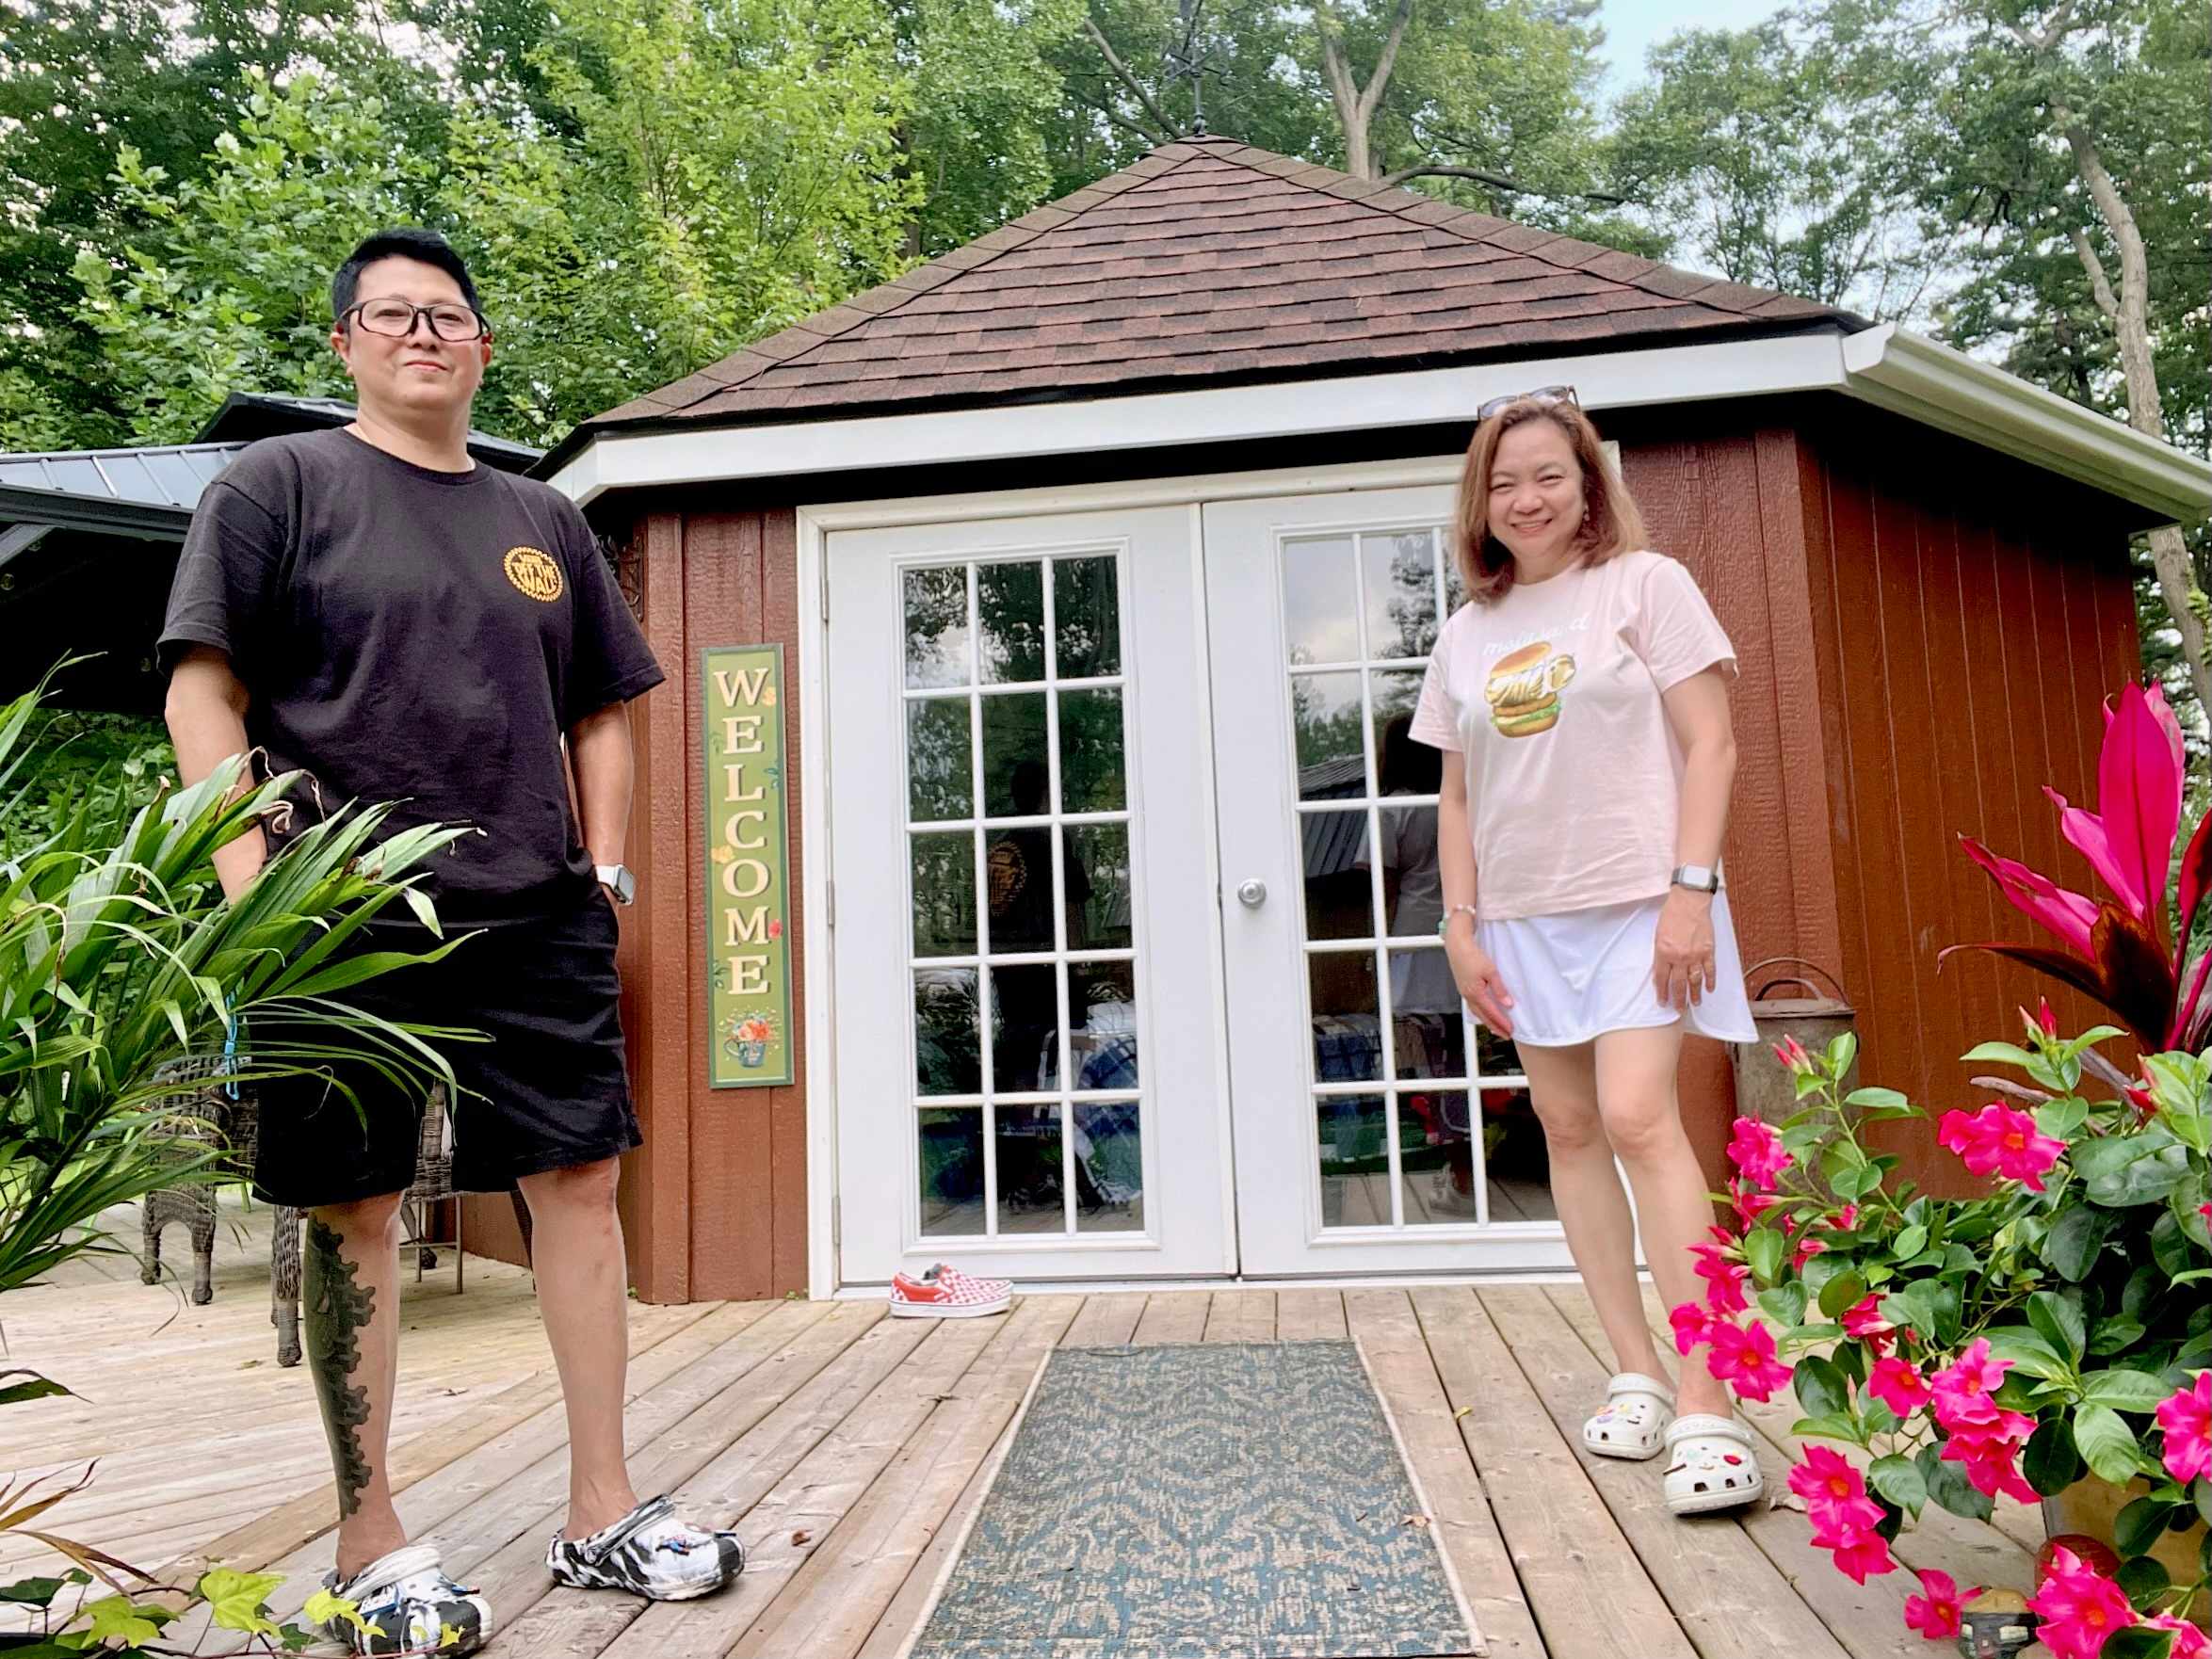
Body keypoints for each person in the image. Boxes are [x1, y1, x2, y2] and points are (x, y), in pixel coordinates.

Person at [159, 229, 742, 1655]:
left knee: (582, 1181)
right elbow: (201, 690)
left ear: (481, 349)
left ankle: (600, 1507)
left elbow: (606, 703)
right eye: (392, 314)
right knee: (354, 1204)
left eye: (450, 316)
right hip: (340, 915)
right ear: (347, 344)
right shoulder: (274, 489)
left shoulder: (538, 517)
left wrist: (600, 866)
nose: (424, 332)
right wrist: (251, 888)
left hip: (532, 900)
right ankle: (370, 1544)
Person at [1409, 387, 1765, 1516]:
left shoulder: (1644, 587)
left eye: (1548, 475)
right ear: (1482, 500)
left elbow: (1712, 743)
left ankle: (1712, 1399)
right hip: (1520, 917)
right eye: (1504, 482)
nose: (1527, 497)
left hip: (1640, 900)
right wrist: (1460, 927)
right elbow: (1457, 798)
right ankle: (1637, 1368)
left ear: (1589, 483)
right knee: (1565, 1128)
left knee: (1639, 1119)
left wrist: (1690, 894)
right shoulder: (1466, 633)